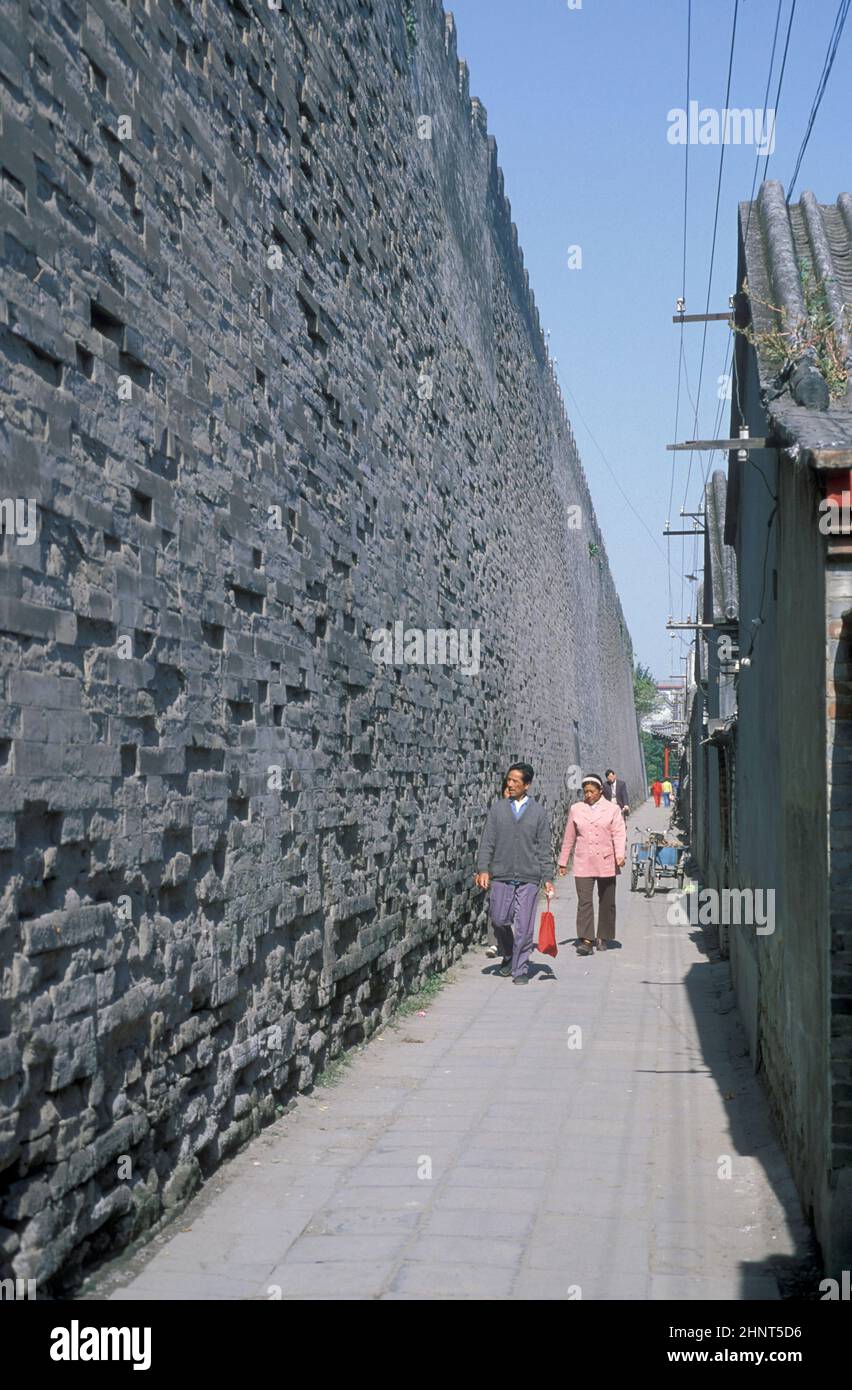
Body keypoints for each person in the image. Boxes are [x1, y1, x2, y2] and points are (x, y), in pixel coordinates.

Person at [476, 763, 555, 985]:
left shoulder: (538, 812)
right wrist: (483, 869)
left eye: (515, 781)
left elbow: (543, 848)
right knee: (499, 919)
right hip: (501, 875)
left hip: (529, 877)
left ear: (526, 785)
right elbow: (487, 842)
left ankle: (520, 968)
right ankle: (509, 952)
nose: (509, 784)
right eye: (508, 780)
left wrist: (547, 878)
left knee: (524, 926)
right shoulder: (498, 809)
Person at [557, 773, 626, 955]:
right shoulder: (576, 809)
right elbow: (569, 837)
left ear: (600, 791)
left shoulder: (612, 809)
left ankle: (603, 935)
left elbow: (619, 833)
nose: (588, 795)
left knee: (607, 901)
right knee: (584, 901)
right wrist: (563, 861)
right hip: (583, 861)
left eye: (591, 792)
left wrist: (620, 855)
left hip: (607, 861)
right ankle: (586, 940)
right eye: (585, 792)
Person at [485, 776, 514, 958]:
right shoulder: (495, 813)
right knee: (495, 905)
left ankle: (509, 942)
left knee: (511, 909)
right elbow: (487, 842)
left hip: (519, 869)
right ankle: (494, 943)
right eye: (505, 789)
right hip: (498, 867)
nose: (508, 793)